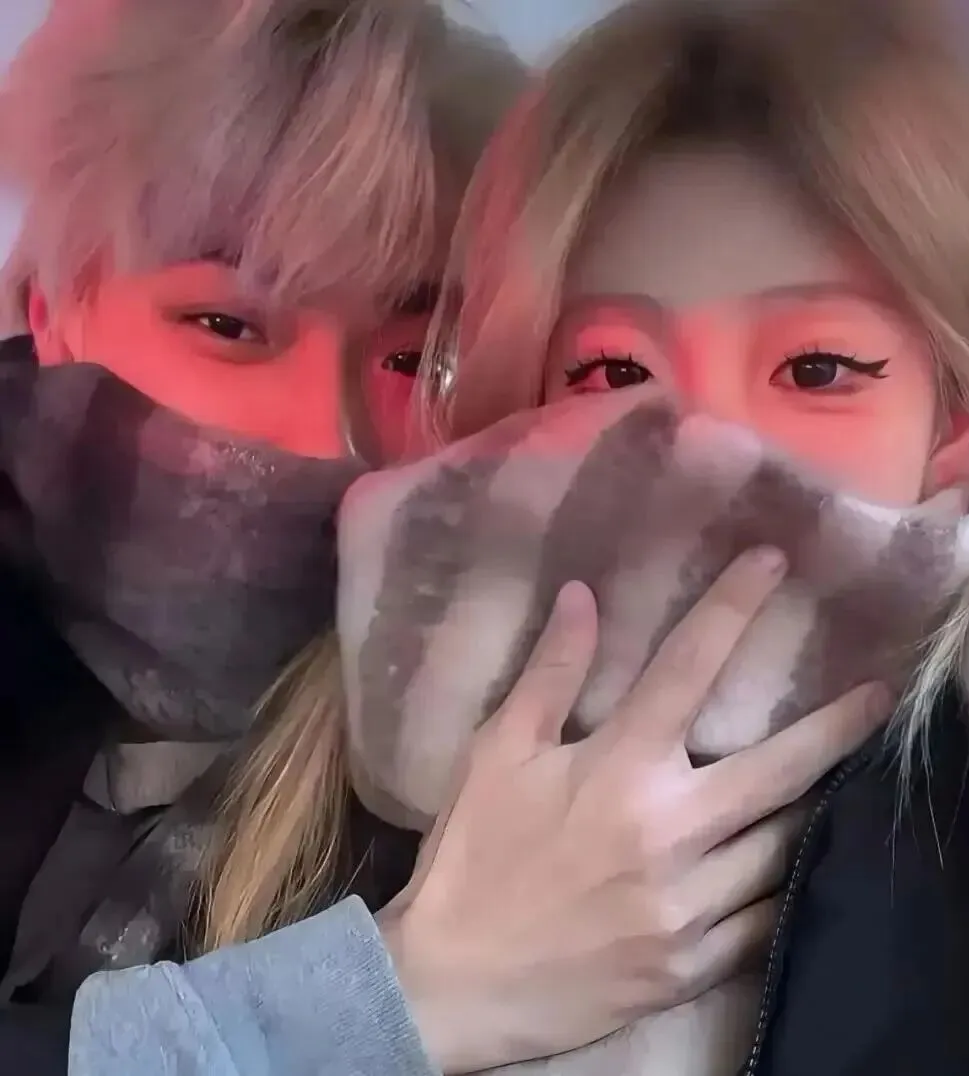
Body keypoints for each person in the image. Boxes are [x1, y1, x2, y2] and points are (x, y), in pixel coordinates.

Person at [142, 0, 969, 1073]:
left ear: (957, 419)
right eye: (613, 371)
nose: (704, 440)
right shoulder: (328, 761)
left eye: (817, 369)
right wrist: (416, 988)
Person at [0, 0, 523, 1067]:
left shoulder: (500, 759)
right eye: (227, 323)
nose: (325, 430)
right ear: (56, 308)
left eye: (411, 356)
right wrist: (386, 1000)